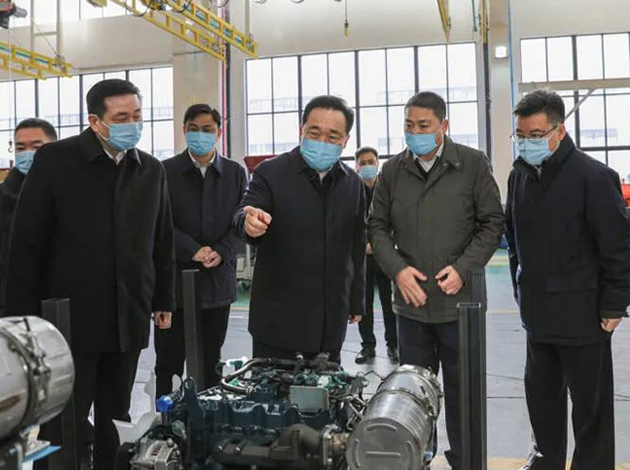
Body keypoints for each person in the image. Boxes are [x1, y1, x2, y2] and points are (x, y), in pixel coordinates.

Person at [5, 78, 175, 470]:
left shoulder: (150, 170)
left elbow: (162, 238)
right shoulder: (56, 161)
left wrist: (163, 297)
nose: (132, 124)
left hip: (127, 315)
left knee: (117, 417)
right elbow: (26, 243)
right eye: (122, 117)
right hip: (69, 321)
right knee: (64, 420)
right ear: (95, 121)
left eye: (137, 115)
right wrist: (22, 320)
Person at [369, 91, 504, 470]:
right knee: (412, 397)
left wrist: (464, 268)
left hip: (462, 308)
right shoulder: (392, 171)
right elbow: (376, 226)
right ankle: (417, 460)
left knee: (465, 396)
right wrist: (397, 270)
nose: (415, 133)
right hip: (412, 307)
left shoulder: (473, 165)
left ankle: (466, 462)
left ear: (444, 126)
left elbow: (492, 223)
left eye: (424, 126)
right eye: (409, 125)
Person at [506, 89, 630, 470]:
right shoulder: (518, 176)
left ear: (559, 130)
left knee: (591, 411)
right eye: (520, 135)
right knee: (542, 402)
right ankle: (547, 462)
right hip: (538, 317)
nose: (526, 143)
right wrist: (520, 285)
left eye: (535, 135)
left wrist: (614, 305)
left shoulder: (594, 177)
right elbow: (513, 238)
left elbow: (618, 247)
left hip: (584, 318)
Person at [233, 95, 366, 364]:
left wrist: (356, 299)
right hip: (278, 322)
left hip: (329, 322)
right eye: (314, 133)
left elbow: (356, 244)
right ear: (301, 130)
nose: (322, 142)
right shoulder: (271, 173)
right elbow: (244, 212)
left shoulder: (352, 182)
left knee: (327, 389)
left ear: (345, 141)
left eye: (332, 136)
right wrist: (247, 222)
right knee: (273, 391)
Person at [155, 104, 246, 397]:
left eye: (208, 129)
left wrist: (222, 251)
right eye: (193, 128)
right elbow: (158, 223)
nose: (200, 134)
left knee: (210, 362)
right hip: (174, 285)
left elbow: (241, 221)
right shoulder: (165, 171)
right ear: (184, 130)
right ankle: (166, 417)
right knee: (168, 363)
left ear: (219, 132)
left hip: (217, 282)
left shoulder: (234, 173)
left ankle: (208, 413)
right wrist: (191, 249)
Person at [0, 118, 57, 314]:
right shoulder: (3, 198)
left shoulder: (71, 193)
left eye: (36, 146)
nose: (27, 153)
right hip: (11, 304)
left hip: (60, 299)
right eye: (20, 148)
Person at [353, 146, 398, 364]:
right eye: (363, 163)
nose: (367, 166)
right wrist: (362, 245)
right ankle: (367, 346)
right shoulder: (352, 191)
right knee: (364, 303)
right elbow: (348, 222)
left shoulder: (388, 189)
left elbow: (396, 220)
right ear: (356, 166)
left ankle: (393, 344)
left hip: (385, 255)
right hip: (362, 257)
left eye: (371, 162)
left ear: (378, 163)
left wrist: (381, 245)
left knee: (389, 303)